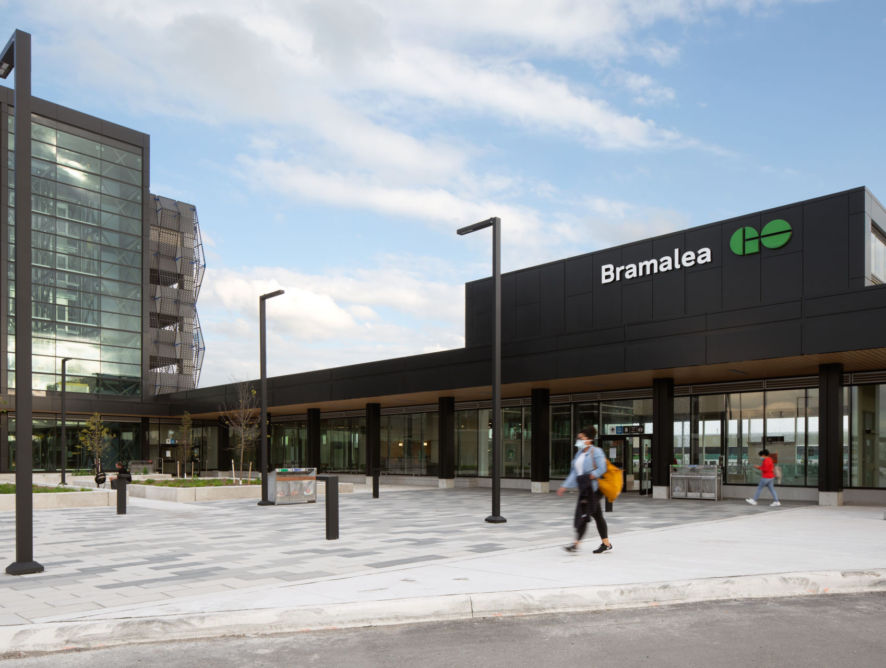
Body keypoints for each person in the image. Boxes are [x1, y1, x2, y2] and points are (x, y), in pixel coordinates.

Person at [557, 426, 612, 554]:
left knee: (585, 513)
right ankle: (606, 543)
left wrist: (589, 476)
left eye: (581, 438)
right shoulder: (579, 453)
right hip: (585, 489)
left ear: (589, 439)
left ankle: (576, 544)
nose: (579, 440)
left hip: (595, 489)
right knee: (597, 515)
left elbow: (602, 468)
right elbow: (574, 473)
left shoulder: (596, 451)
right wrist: (564, 486)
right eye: (579, 438)